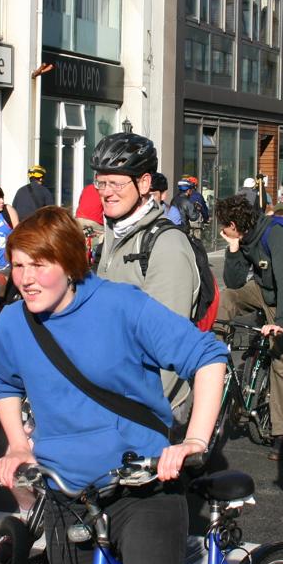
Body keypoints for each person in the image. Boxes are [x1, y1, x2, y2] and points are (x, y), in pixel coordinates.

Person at [0, 207, 227, 564]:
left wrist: (194, 440)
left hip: (143, 490)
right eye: (19, 265)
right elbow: (3, 383)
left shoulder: (120, 305)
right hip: (68, 496)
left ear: (70, 263)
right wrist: (17, 444)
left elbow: (207, 356)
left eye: (40, 265)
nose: (25, 279)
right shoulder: (13, 322)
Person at [91, 134, 201, 424]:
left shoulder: (166, 245)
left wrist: (133, 415)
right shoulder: (113, 235)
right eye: (101, 183)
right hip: (111, 393)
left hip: (147, 407)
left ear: (143, 183)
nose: (106, 192)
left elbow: (167, 345)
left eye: (116, 183)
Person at [215, 194, 283, 461]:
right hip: (262, 290)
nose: (222, 231)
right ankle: (215, 349)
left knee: (280, 363)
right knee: (228, 296)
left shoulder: (273, 234)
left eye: (224, 226)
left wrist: (281, 323)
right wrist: (233, 249)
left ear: (233, 224)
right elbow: (234, 282)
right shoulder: (243, 238)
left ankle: (281, 433)